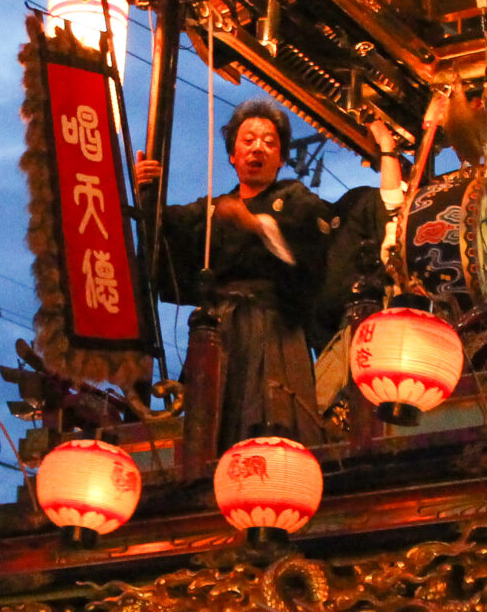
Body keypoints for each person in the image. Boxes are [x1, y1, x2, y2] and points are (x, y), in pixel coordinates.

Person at [135, 99, 336, 444]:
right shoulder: (213, 208)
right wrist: (144, 193)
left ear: (282, 158)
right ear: (231, 155)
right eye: (248, 140)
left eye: (269, 142)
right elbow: (162, 231)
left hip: (274, 326)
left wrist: (257, 225)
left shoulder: (298, 199)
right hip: (218, 329)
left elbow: (311, 255)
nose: (258, 148)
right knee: (212, 424)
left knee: (274, 421)